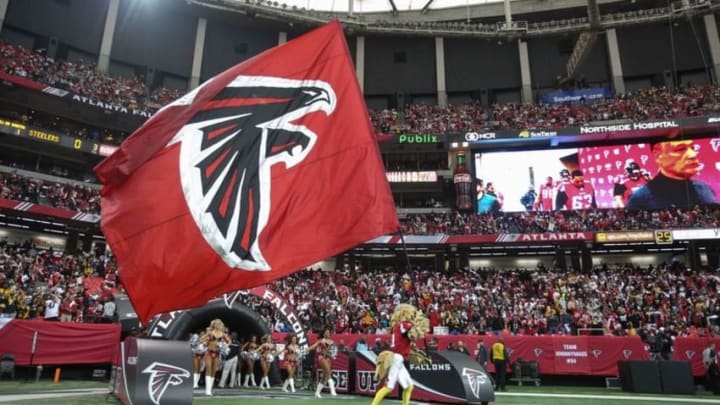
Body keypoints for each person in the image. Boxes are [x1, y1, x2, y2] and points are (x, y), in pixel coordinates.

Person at [626, 140, 718, 209]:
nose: (692, 154)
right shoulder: (640, 199)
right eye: (680, 149)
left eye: (693, 148)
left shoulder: (705, 188)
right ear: (658, 155)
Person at [371, 303, 430, 405]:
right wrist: (420, 324)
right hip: (397, 358)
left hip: (400, 359)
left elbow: (408, 339)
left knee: (409, 386)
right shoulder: (403, 324)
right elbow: (413, 333)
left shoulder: (398, 326)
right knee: (389, 387)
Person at [199, 319, 231, 396]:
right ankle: (207, 390)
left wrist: (224, 345)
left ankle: (210, 389)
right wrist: (206, 342)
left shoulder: (223, 334)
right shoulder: (210, 332)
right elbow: (201, 339)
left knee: (214, 371)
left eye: (219, 323)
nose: (218, 325)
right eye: (216, 323)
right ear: (213, 324)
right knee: (208, 369)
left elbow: (229, 341)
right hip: (209, 352)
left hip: (217, 353)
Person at [308, 329, 337, 398]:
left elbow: (334, 351)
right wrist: (306, 349)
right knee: (328, 372)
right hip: (322, 357)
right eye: (326, 332)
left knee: (324, 377)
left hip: (328, 358)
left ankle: (317, 392)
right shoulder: (321, 341)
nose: (327, 334)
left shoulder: (332, 342)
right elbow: (313, 346)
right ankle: (332, 390)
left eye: (328, 332)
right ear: (323, 334)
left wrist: (333, 354)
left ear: (330, 334)